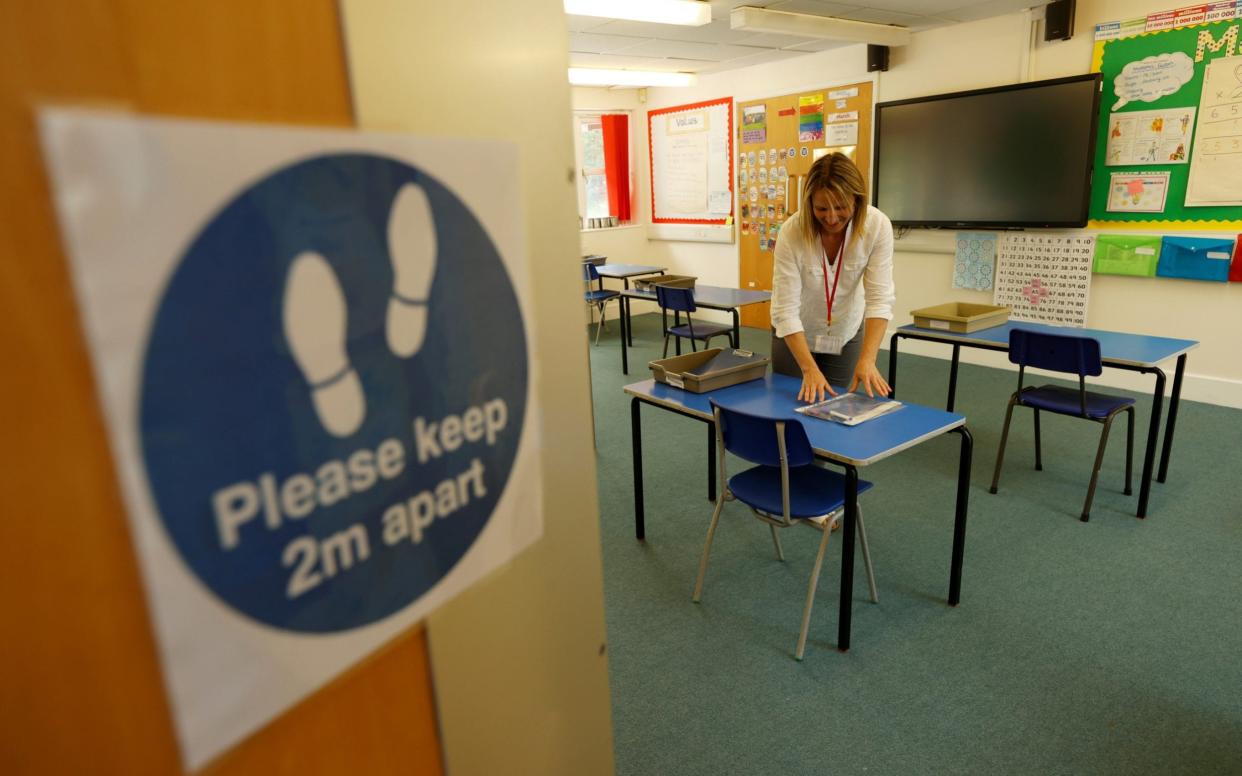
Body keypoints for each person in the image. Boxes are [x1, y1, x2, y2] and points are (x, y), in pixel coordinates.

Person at [770, 152, 895, 404]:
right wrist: (808, 369)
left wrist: (868, 359)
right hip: (796, 330)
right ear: (809, 203)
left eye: (841, 207)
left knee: (834, 407)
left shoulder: (877, 226)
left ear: (857, 200)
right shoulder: (792, 232)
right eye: (821, 208)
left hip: (844, 331)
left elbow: (880, 299)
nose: (831, 217)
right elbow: (785, 309)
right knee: (791, 407)